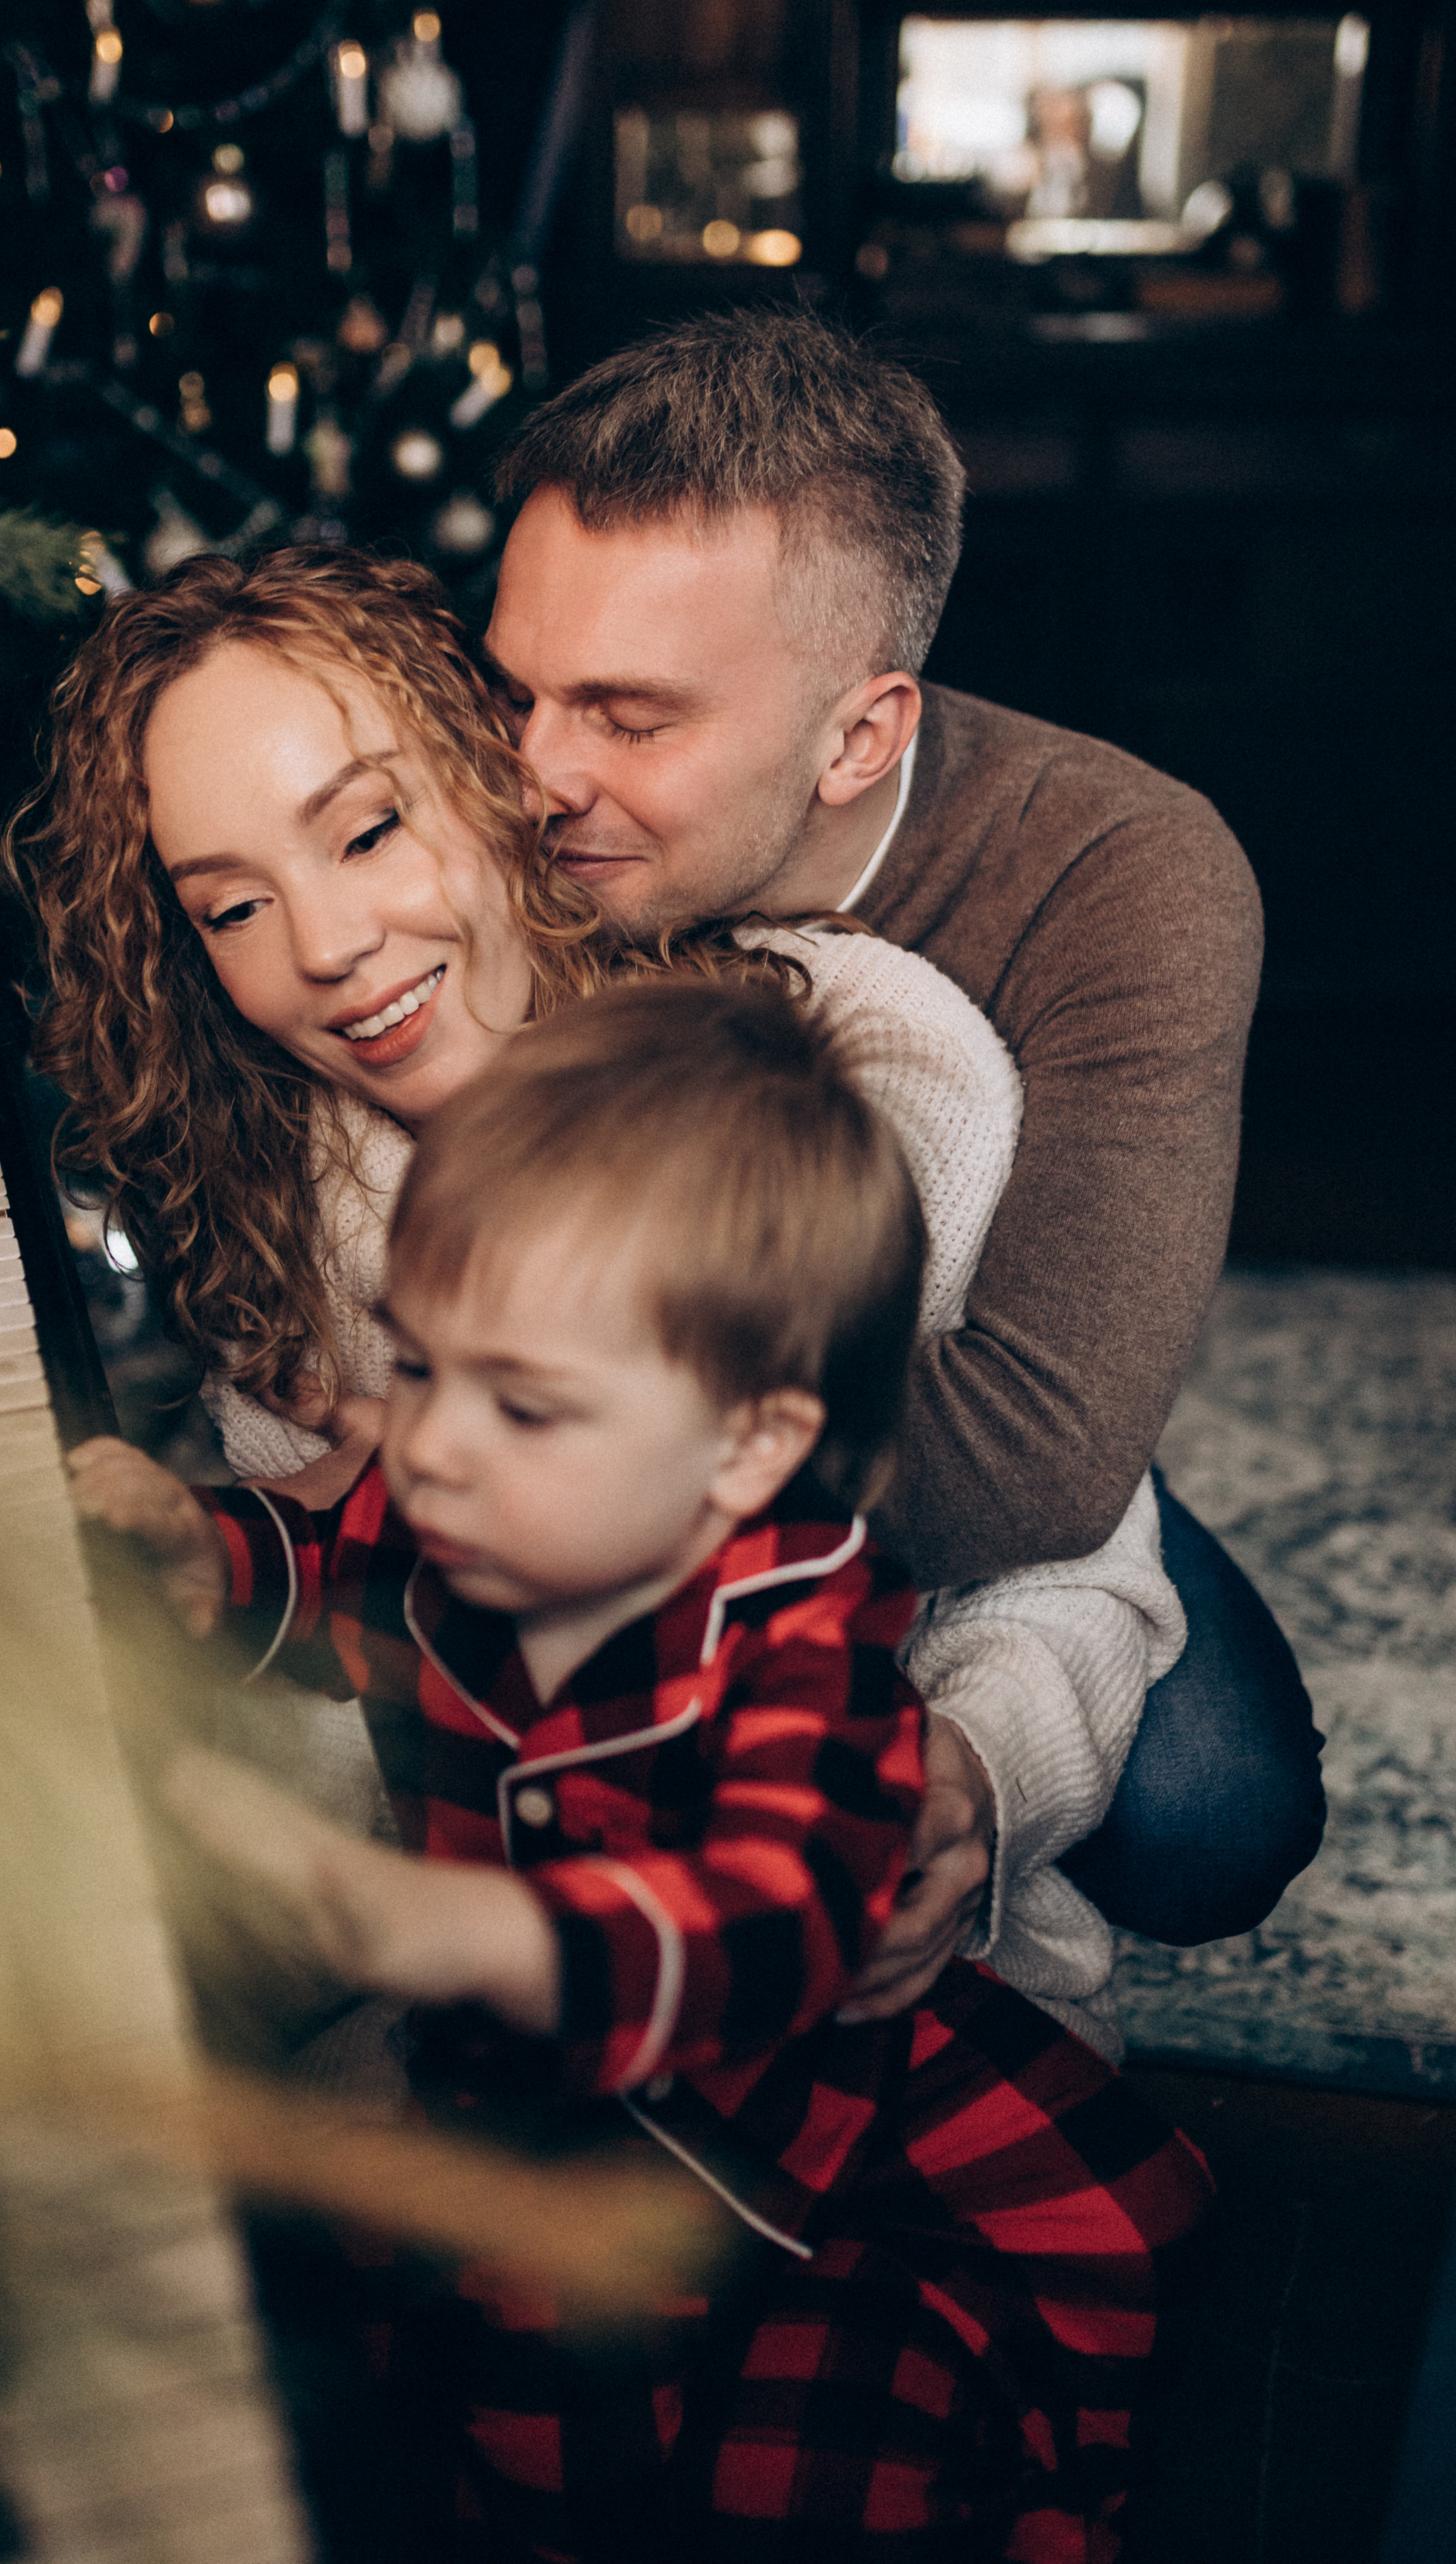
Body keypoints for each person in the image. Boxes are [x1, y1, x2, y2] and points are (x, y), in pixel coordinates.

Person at [71, 976, 1214, 2564]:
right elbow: (336, 1554)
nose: (439, 1444)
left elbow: (778, 1909)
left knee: (773, 2471)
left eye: (521, 1403)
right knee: (514, 2442)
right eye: (417, 1368)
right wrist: (211, 1551)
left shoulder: (794, 1634)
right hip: (531, 2081)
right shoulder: (459, 1503)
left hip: (751, 2120)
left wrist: (455, 1937)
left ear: (745, 1450)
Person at [11, 546, 1182, 2053]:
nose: (324, 948)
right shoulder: (280, 1217)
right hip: (568, 1981)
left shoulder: (841, 1068)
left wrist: (974, 1767)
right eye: (232, 909)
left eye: (367, 832)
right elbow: (376, 1654)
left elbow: (1060, 1548)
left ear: (501, 778)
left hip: (872, 1992)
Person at [481, 303, 1324, 1977]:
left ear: (861, 734)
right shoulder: (502, 801)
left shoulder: (1124, 870)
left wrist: (576, 1483)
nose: (529, 779)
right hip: (551, 1392)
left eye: (630, 719)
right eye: (517, 689)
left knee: (1210, 1812)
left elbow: (1034, 1447)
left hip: (930, 1367)